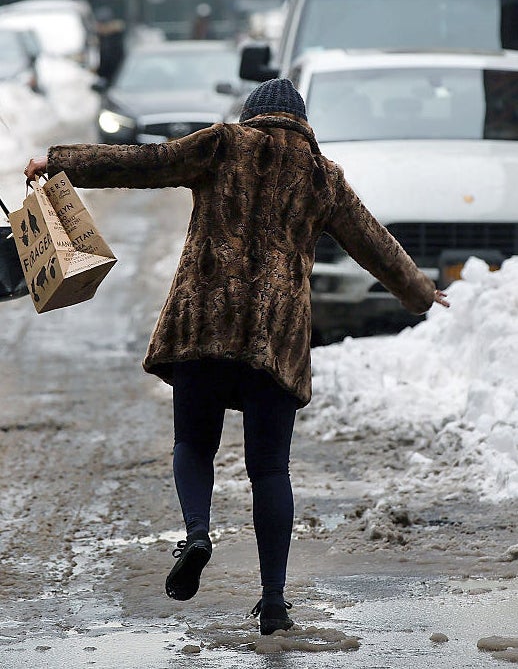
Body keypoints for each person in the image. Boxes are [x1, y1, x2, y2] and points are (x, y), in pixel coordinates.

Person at [24, 78, 449, 636]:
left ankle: (197, 532)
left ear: (252, 116)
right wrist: (420, 293)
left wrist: (60, 163)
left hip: (204, 326)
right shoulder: (322, 176)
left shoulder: (224, 143)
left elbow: (146, 162)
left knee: (193, 443)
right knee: (270, 469)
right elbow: (373, 243)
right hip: (274, 342)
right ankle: (273, 600)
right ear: (302, 122)